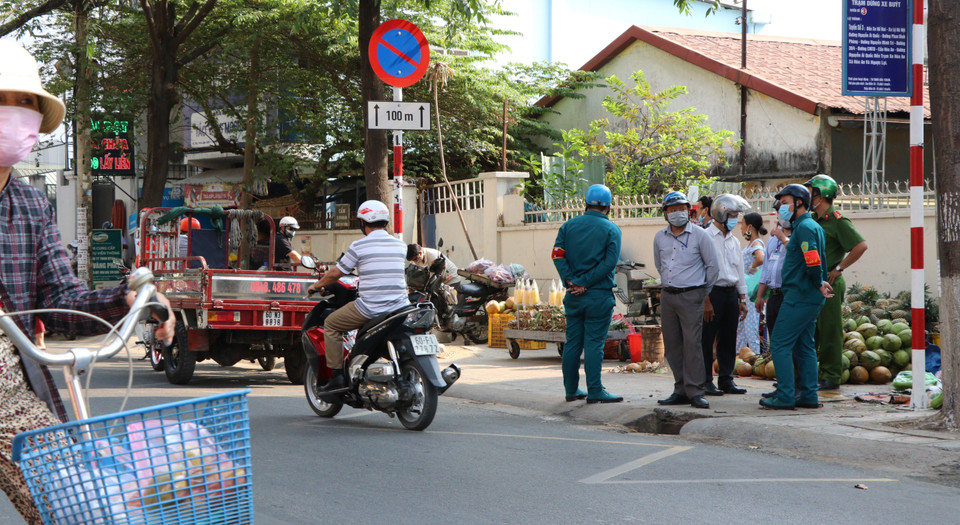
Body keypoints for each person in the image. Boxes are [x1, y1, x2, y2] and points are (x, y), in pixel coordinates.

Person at [0, 43, 175, 524]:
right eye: (1, 100)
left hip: (9, 394)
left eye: (26, 102)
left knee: (81, 506)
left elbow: (62, 302)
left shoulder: (30, 205)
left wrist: (131, 299)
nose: (13, 113)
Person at [307, 200, 409, 393]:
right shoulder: (400, 245)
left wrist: (316, 285)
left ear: (363, 222)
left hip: (371, 308)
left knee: (331, 324)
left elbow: (336, 273)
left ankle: (337, 376)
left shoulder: (359, 246)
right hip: (400, 307)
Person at [759, 184, 833, 410]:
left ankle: (785, 395)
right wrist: (818, 282)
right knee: (804, 345)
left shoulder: (804, 228)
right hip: (806, 295)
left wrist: (818, 281)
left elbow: (812, 259)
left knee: (779, 343)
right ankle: (808, 395)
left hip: (800, 295)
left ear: (799, 203)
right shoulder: (810, 225)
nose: (781, 207)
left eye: (785, 203)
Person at [552, 184, 623, 404]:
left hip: (573, 296)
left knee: (572, 343)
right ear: (609, 206)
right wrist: (585, 282)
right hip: (598, 296)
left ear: (585, 203)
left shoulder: (568, 226)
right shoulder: (612, 230)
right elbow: (609, 264)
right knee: (593, 344)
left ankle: (571, 390)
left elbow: (557, 255)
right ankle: (595, 390)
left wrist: (571, 281)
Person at [653, 191, 719, 409]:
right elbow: (660, 265)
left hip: (692, 295)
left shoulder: (701, 235)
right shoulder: (660, 237)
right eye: (672, 210)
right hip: (668, 296)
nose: (677, 213)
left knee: (692, 344)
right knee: (672, 345)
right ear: (665, 213)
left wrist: (702, 292)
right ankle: (680, 389)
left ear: (689, 211)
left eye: (681, 209)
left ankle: (695, 391)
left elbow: (712, 267)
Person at [805, 174, 868, 391]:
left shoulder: (838, 220)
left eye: (811, 193)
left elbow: (860, 246)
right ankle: (808, 374)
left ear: (822, 195)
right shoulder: (812, 220)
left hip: (830, 282)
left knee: (829, 329)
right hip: (813, 283)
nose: (808, 198)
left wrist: (839, 268)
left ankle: (831, 376)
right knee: (811, 330)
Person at [701, 194, 751, 396]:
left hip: (731, 294)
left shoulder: (734, 241)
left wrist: (742, 299)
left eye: (737, 215)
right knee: (706, 339)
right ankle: (705, 380)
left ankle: (726, 379)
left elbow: (739, 270)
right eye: (732, 215)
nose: (735, 219)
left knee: (729, 338)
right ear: (721, 214)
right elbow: (700, 269)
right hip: (712, 293)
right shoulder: (704, 237)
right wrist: (705, 299)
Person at [754, 206, 792, 349]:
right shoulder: (772, 239)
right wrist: (760, 296)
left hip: (788, 295)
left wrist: (783, 238)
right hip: (773, 296)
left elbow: (797, 255)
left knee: (787, 342)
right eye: (779, 211)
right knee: (774, 340)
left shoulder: (798, 236)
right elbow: (766, 269)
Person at [736, 212, 767, 353]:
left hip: (750, 292)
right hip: (746, 292)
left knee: (750, 328)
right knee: (741, 329)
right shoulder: (751, 244)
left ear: (749, 227)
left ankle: (755, 357)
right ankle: (739, 356)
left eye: (742, 224)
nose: (741, 228)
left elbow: (761, 258)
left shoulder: (756, 243)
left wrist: (750, 271)